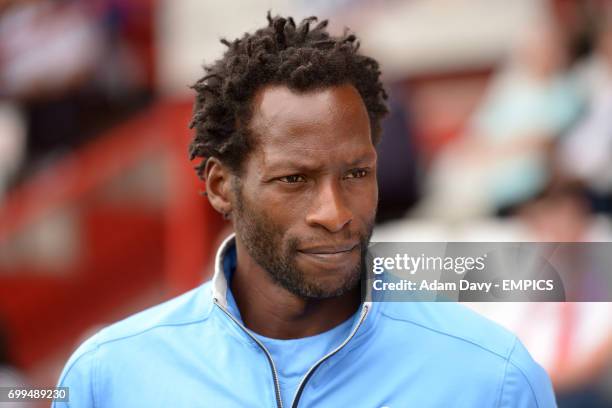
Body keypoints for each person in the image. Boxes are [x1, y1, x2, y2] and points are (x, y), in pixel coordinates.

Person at [54, 14, 556, 407]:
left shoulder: (493, 380)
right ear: (221, 187)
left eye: (357, 173)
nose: (335, 212)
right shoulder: (109, 379)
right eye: (294, 179)